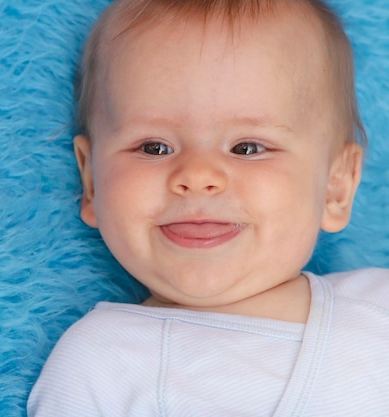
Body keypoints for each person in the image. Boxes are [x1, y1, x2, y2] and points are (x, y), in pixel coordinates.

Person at [28, 0, 389, 415]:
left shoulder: (379, 309)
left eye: (247, 147)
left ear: (335, 187)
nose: (197, 175)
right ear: (91, 180)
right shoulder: (97, 364)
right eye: (154, 147)